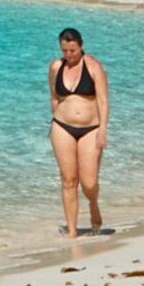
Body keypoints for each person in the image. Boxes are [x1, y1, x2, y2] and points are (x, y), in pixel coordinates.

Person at [48, 26, 111, 236]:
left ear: (81, 46)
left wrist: (102, 129)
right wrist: (56, 121)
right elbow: (55, 97)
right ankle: (73, 231)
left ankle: (93, 204)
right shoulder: (56, 67)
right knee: (68, 180)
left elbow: (102, 100)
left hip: (90, 129)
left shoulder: (94, 67)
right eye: (65, 50)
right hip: (62, 127)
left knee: (89, 182)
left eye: (72, 51)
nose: (69, 55)